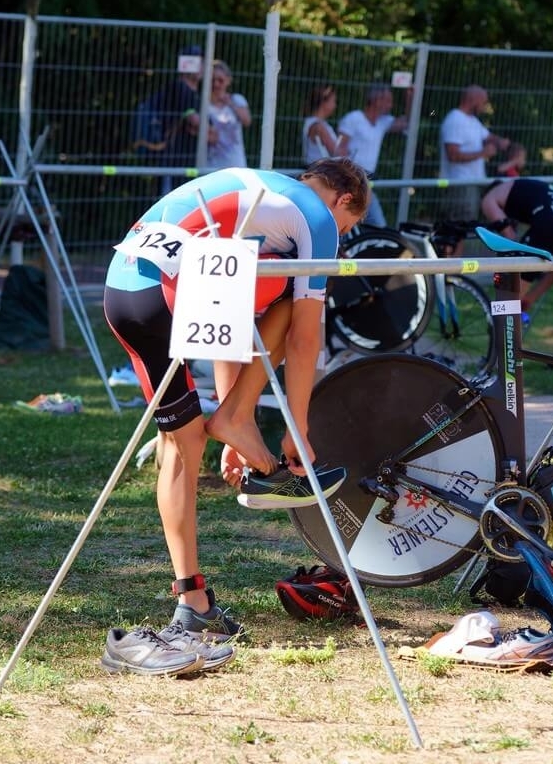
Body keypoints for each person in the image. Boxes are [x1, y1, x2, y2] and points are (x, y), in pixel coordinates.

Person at [102, 158, 370, 672]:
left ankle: (192, 600)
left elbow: (222, 310)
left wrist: (231, 419)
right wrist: (299, 428)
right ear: (342, 200)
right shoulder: (316, 216)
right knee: (298, 293)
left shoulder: (261, 200)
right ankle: (239, 422)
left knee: (182, 446)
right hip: (167, 293)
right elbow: (304, 336)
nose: (341, 237)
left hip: (124, 296)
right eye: (348, 227)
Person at [480, 178, 553, 391]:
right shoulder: (539, 189)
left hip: (550, 221)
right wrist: (532, 296)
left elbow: (509, 238)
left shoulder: (494, 193)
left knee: (511, 297)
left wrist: (509, 237)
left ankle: (499, 367)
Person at [337, 84, 411, 227]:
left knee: (373, 225)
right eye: (388, 101)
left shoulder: (382, 122)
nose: (391, 105)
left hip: (365, 182)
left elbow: (405, 124)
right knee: (375, 224)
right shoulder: (354, 118)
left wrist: (410, 99)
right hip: (350, 180)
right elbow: (339, 147)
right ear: (377, 100)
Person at [440, 84, 510, 220]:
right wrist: (483, 153)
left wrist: (501, 142)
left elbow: (487, 136)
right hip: (460, 183)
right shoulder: (455, 120)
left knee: (465, 224)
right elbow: (452, 155)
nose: (485, 106)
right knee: (459, 226)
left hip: (472, 182)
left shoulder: (472, 121)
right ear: (474, 100)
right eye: (483, 102)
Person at [142, 44, 205, 195]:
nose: (202, 67)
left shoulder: (194, 93)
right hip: (172, 158)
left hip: (186, 160)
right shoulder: (179, 88)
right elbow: (195, 121)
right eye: (198, 62)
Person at [206, 60, 251, 169]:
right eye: (212, 80)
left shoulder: (237, 99)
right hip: (211, 165)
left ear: (228, 80)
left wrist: (230, 103)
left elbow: (247, 121)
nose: (216, 84)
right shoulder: (204, 104)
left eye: (220, 80)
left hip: (236, 164)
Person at [301, 85, 347, 165]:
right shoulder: (318, 126)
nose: (335, 105)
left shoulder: (315, 123)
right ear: (323, 102)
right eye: (333, 101)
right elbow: (336, 152)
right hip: (319, 171)